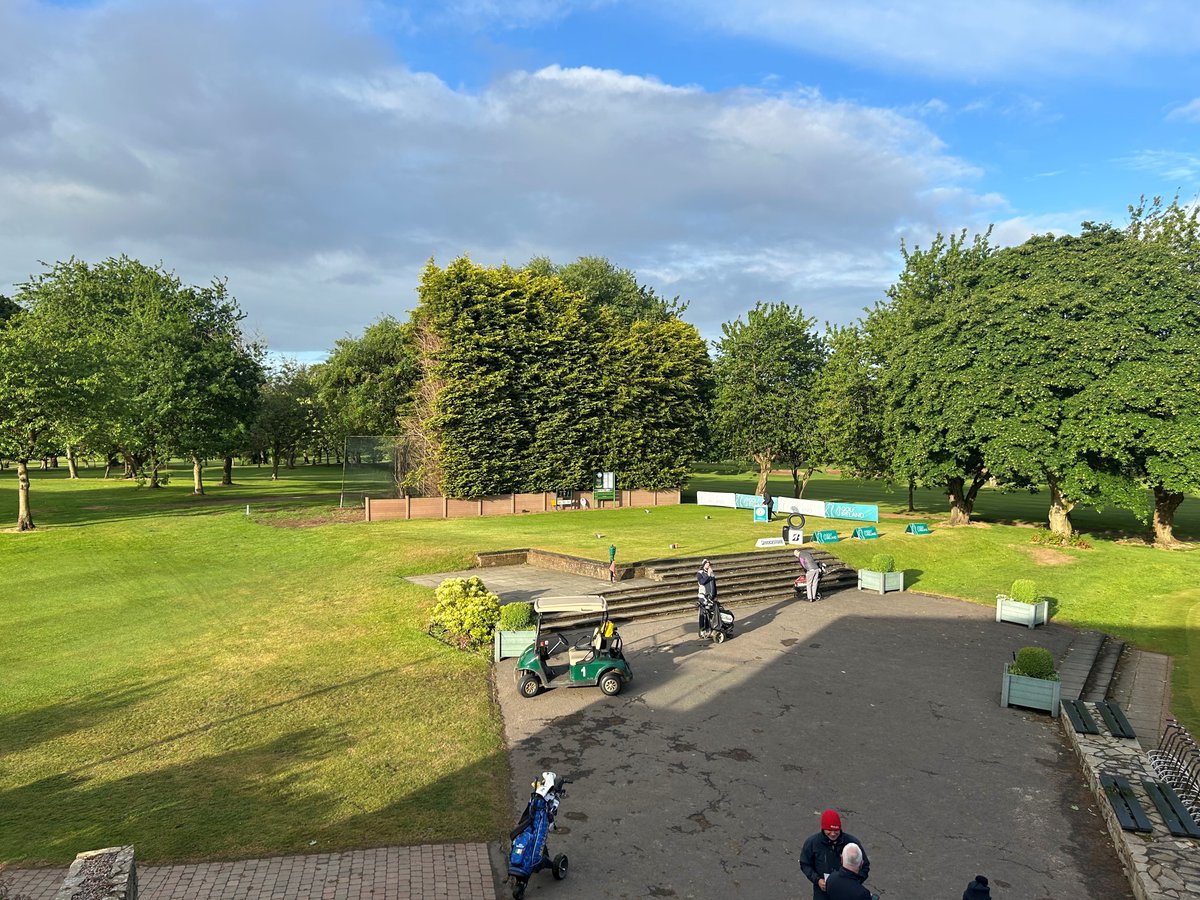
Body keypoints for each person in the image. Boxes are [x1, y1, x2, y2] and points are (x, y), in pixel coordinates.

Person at [799, 809, 869, 900]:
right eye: (829, 830)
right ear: (823, 828)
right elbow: (805, 864)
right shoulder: (812, 843)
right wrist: (817, 880)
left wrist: (853, 883)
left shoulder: (852, 844)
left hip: (847, 894)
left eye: (836, 830)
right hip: (822, 893)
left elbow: (865, 866)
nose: (833, 834)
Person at [696, 558, 717, 636]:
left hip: (711, 597)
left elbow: (714, 585)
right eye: (706, 564)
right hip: (703, 596)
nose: (708, 565)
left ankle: (709, 628)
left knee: (710, 613)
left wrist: (715, 595)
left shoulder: (711, 573)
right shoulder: (700, 573)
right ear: (703, 565)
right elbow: (702, 582)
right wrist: (708, 575)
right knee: (703, 613)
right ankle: (702, 629)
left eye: (709, 564)